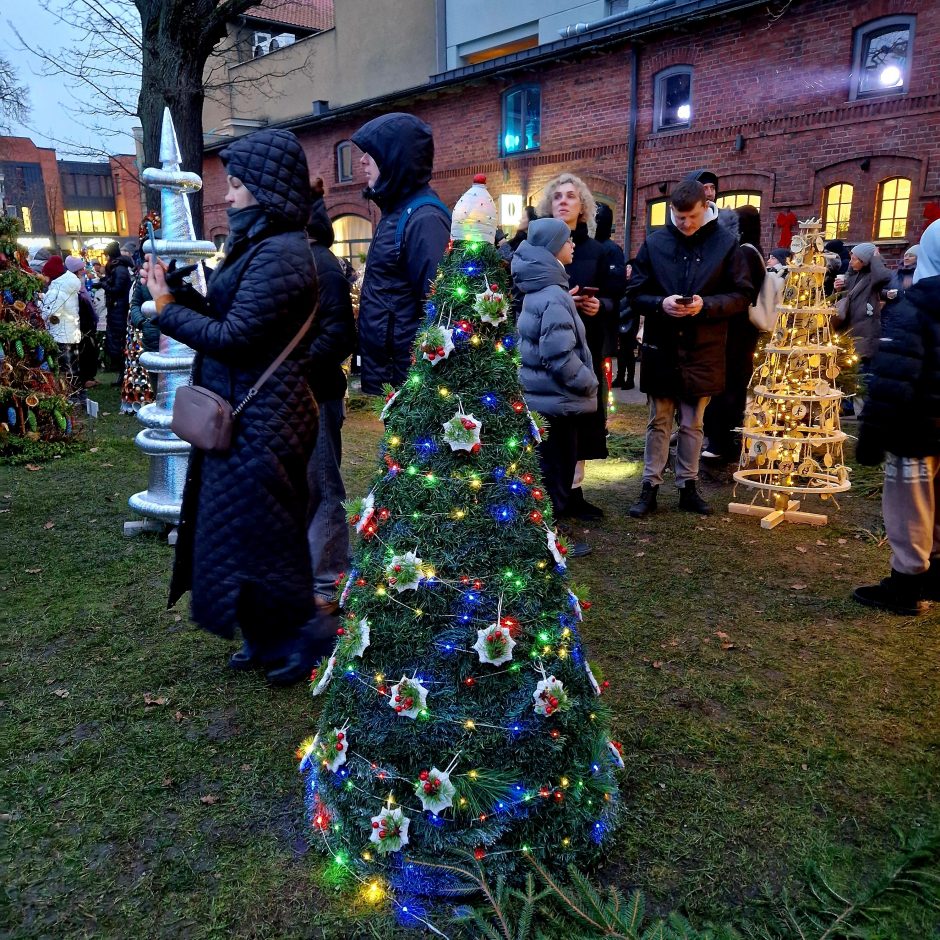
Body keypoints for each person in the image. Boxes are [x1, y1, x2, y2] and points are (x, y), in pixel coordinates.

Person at [141, 127, 328, 686]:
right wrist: (181, 293)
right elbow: (232, 319)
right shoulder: (259, 246)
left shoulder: (283, 253)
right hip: (249, 416)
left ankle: (300, 639)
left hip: (267, 418)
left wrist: (168, 310)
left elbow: (238, 337)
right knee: (242, 532)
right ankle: (263, 635)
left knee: (267, 535)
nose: (228, 195)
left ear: (266, 190)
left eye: (239, 185)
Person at [626, 179, 753, 517]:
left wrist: (706, 305)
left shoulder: (726, 245)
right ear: (672, 212)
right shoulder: (655, 243)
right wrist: (659, 304)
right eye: (680, 218)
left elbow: (742, 296)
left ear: (705, 208)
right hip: (662, 346)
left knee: (693, 423)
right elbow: (635, 293)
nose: (686, 224)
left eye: (692, 217)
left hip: (704, 349)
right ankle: (650, 486)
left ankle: (688, 486)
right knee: (658, 421)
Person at [852, 220, 940, 615]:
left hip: (915, 428)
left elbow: (894, 377)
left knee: (908, 508)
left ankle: (906, 584)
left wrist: (871, 436)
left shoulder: (916, 305)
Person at [512, 218, 597, 557]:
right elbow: (558, 355)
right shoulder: (553, 295)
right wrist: (589, 383)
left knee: (549, 472)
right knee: (555, 476)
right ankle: (548, 543)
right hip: (557, 402)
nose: (573, 244)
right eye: (568, 240)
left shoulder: (542, 289)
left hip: (545, 401)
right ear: (552, 248)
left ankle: (546, 536)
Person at [351, 112, 451, 393]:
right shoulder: (397, 211)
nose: (362, 160)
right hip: (400, 379)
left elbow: (442, 309)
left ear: (395, 157)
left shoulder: (423, 218)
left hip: (414, 384)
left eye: (371, 152)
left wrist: (428, 387)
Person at [537, 172, 617, 520]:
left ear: (582, 205)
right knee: (548, 421)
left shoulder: (599, 251)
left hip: (585, 347)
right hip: (545, 349)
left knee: (582, 420)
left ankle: (574, 492)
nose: (564, 201)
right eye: (557, 196)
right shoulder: (535, 246)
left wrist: (601, 307)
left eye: (571, 196)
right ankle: (545, 491)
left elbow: (617, 297)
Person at [305, 180, 357, 633]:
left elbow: (341, 336)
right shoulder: (296, 262)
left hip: (317, 394)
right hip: (295, 396)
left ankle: (328, 584)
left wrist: (293, 365)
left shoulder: (322, 266)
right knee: (307, 489)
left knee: (323, 487)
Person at [702, 204, 764, 462]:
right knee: (732, 386)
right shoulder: (754, 252)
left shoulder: (746, 254)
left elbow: (741, 292)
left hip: (736, 333)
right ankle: (721, 439)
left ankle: (721, 442)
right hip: (741, 333)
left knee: (728, 387)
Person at [39, 255, 82, 393]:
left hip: (60, 336)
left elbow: (48, 313)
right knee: (73, 367)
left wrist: (39, 303)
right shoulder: (68, 286)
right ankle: (77, 395)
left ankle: (70, 396)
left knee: (65, 369)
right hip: (71, 333)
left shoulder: (57, 291)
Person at [64, 255, 99, 390]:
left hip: (87, 325)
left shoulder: (81, 286)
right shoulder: (75, 288)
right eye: (80, 269)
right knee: (84, 352)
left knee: (90, 351)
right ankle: (85, 379)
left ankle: (89, 377)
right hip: (82, 327)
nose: (83, 272)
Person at [101, 240, 133, 377]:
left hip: (119, 309)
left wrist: (104, 285)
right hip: (116, 308)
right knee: (116, 341)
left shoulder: (119, 269)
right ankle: (121, 373)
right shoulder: (117, 268)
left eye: (107, 256)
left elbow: (117, 289)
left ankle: (122, 374)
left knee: (119, 342)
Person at [685, 169, 738, 237]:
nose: (710, 193)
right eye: (704, 188)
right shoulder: (681, 220)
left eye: (712, 188)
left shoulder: (727, 220)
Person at [615, 261, 639, 390]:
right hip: (620, 321)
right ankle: (620, 377)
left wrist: (620, 315)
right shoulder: (621, 284)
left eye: (630, 268)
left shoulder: (635, 285)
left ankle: (630, 380)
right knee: (620, 352)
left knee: (628, 352)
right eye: (626, 267)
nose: (627, 270)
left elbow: (634, 305)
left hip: (630, 322)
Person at [881, 245, 919, 316]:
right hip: (890, 317)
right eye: (905, 255)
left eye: (910, 256)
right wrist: (886, 293)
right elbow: (878, 290)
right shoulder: (893, 274)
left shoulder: (921, 275)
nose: (906, 258)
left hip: (913, 317)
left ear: (918, 258)